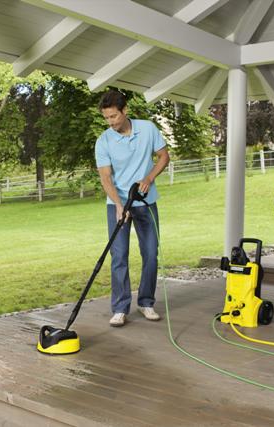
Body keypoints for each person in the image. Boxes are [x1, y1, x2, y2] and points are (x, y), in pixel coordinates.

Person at [95, 90, 170, 327]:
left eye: (114, 116)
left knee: (150, 253)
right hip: (117, 204)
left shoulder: (147, 129)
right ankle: (120, 308)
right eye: (106, 118)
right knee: (119, 256)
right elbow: (105, 177)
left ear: (125, 110)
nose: (110, 122)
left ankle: (146, 302)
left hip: (146, 202)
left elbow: (164, 157)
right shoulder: (104, 141)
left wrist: (149, 178)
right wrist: (119, 205)